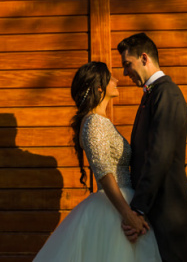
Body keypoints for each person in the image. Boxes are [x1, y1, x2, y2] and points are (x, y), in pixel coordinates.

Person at [32, 61, 162, 262]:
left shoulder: (101, 121)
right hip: (114, 208)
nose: (117, 80)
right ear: (99, 87)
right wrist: (127, 215)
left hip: (123, 201)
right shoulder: (94, 122)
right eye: (110, 78)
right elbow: (104, 172)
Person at [118, 32, 187, 262]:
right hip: (155, 210)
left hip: (168, 211)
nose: (124, 73)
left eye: (127, 64)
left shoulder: (167, 94)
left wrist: (138, 209)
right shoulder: (151, 96)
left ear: (144, 58)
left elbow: (160, 155)